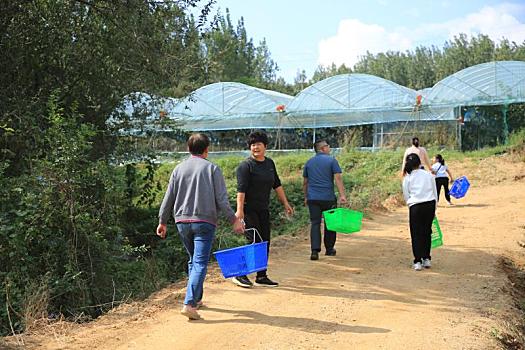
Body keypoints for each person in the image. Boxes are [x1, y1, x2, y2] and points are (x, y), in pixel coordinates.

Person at [157, 133, 245, 320]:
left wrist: (162, 221)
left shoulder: (178, 169)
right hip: (204, 221)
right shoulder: (212, 169)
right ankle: (189, 304)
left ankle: (196, 299)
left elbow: (168, 198)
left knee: (193, 260)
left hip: (181, 222)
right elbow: (221, 199)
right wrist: (234, 219)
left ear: (188, 149)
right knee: (199, 263)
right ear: (207, 149)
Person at [232, 131, 294, 288]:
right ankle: (240, 274)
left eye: (258, 144)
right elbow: (241, 191)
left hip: (263, 209)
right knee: (253, 241)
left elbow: (277, 185)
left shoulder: (269, 164)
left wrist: (285, 203)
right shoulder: (245, 166)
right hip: (248, 210)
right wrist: (239, 212)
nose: (255, 147)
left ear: (265, 146)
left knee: (265, 241)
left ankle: (261, 275)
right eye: (253, 145)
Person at [303, 140, 347, 261]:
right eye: (327, 146)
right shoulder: (332, 160)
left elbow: (305, 182)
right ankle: (329, 249)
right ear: (322, 149)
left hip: (313, 198)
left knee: (315, 223)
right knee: (331, 223)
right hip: (328, 198)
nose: (329, 148)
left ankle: (314, 251)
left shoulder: (309, 162)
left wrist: (306, 196)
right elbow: (338, 178)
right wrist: (342, 195)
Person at [402, 153, 438, 271]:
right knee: (427, 232)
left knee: (416, 233)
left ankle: (417, 261)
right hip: (429, 204)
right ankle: (426, 258)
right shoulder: (429, 175)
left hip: (415, 206)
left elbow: (406, 196)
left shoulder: (407, 178)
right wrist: (435, 208)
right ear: (419, 163)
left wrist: (411, 206)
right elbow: (435, 192)